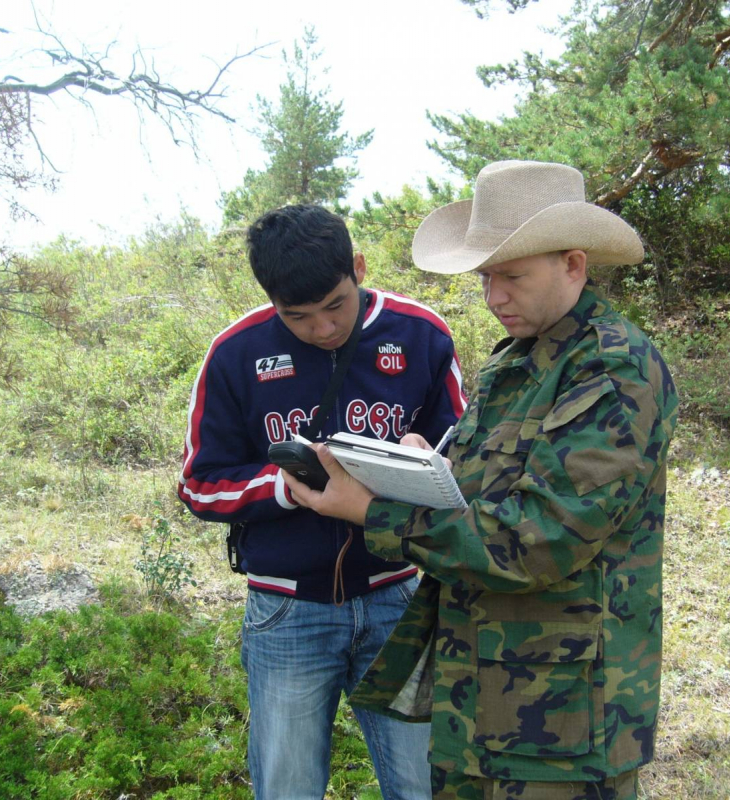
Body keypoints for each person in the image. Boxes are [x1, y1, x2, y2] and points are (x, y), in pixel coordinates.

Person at [283, 161, 679, 800]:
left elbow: (539, 540)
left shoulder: (610, 370)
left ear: (574, 265)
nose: (494, 297)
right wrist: (421, 467)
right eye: (487, 277)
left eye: (513, 276)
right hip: (482, 700)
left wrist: (374, 512)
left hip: (558, 728)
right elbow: (487, 491)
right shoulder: (518, 361)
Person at [177, 204, 467, 800]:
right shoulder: (236, 353)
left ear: (358, 268)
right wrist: (286, 488)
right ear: (270, 300)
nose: (323, 329)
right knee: (287, 785)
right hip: (287, 610)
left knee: (425, 782)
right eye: (298, 316)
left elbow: (468, 459)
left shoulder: (421, 335)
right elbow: (199, 483)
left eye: (336, 305)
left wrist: (426, 462)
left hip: (399, 595)